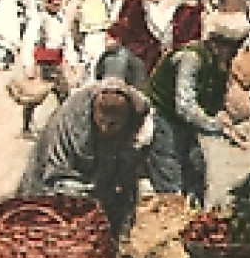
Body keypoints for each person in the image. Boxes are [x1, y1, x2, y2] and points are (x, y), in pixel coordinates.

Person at [17, 78, 154, 237]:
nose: (106, 129)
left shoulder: (138, 111)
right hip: (62, 183)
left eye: (113, 124)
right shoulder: (71, 123)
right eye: (102, 122)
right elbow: (58, 176)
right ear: (93, 112)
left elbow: (131, 168)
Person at [143, 11, 249, 206]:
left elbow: (214, 101)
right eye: (232, 48)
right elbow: (185, 106)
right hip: (164, 119)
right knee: (172, 181)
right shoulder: (191, 58)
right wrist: (216, 126)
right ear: (218, 44)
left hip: (187, 125)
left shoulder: (219, 66)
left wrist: (226, 123)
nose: (235, 53)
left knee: (197, 173)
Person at [16, 0, 75, 138]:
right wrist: (28, 64)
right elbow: (29, 42)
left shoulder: (61, 20)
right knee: (35, 96)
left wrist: (72, 61)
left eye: (59, 4)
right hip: (42, 64)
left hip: (56, 63)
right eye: (54, 4)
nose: (57, 7)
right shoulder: (39, 20)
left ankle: (63, 129)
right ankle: (26, 127)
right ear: (47, 3)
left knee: (65, 96)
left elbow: (66, 42)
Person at [92, 22, 148, 89]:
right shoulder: (130, 56)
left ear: (118, 40)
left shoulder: (116, 58)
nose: (104, 42)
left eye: (107, 39)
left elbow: (112, 87)